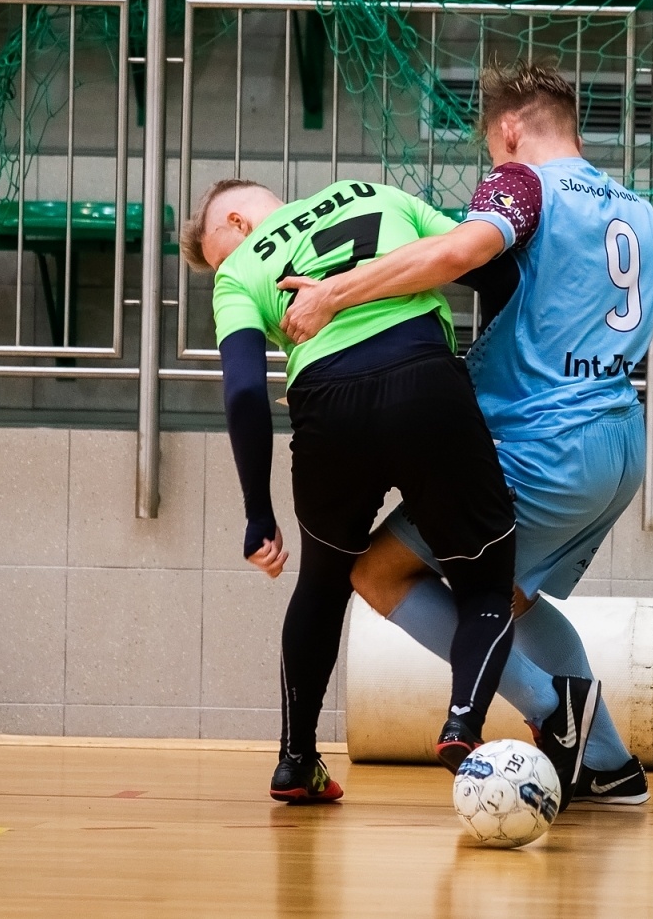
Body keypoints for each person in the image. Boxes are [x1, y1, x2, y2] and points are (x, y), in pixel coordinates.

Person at [279, 62, 653, 809]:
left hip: (540, 443)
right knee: (511, 598)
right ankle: (610, 765)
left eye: (492, 150)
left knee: (379, 573)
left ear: (511, 130)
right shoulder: (638, 214)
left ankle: (557, 717)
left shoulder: (522, 186)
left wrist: (336, 291)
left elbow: (460, 252)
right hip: (618, 446)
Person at [180, 175, 599, 803]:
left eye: (217, 254)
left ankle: (296, 760)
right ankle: (462, 723)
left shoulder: (241, 268)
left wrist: (257, 513)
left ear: (237, 224)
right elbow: (494, 273)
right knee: (485, 577)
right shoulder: (373, 192)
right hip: (426, 384)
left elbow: (243, 391)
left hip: (327, 410)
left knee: (322, 585)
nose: (225, 266)